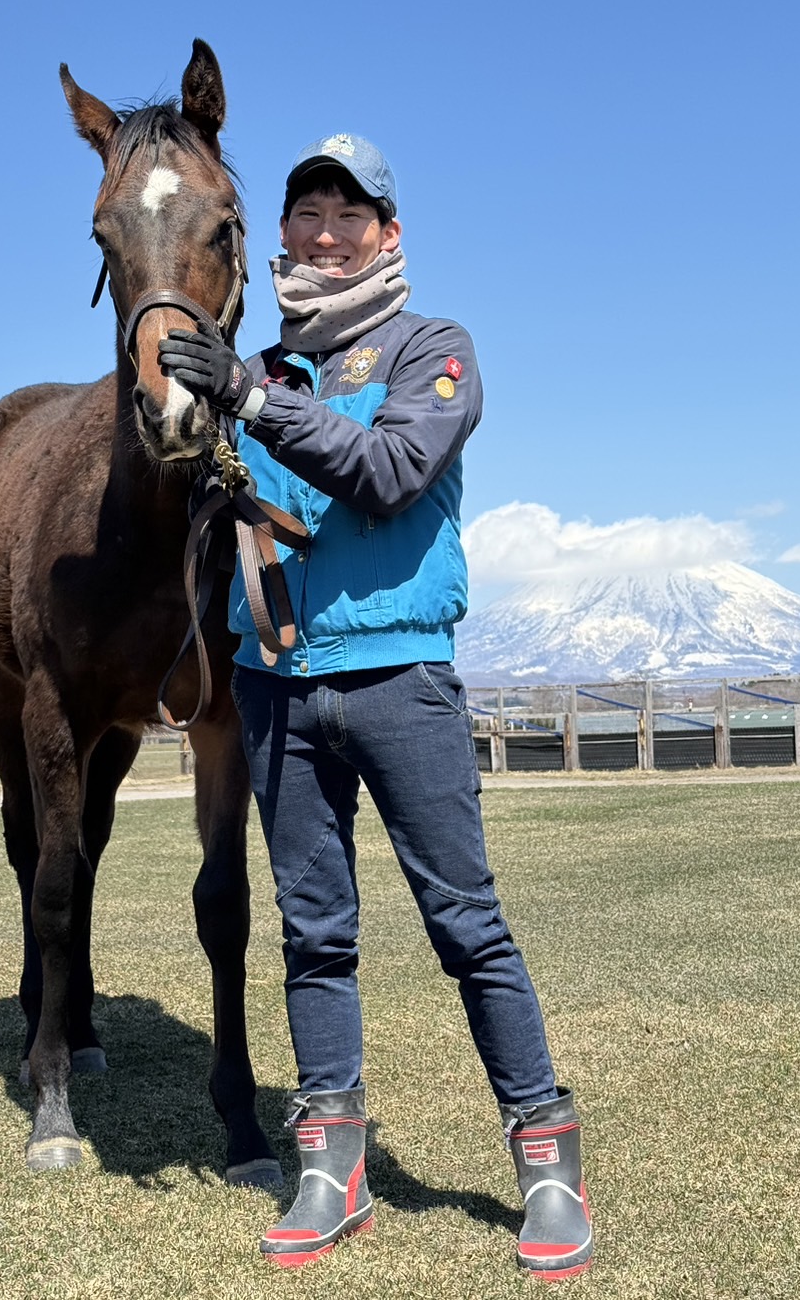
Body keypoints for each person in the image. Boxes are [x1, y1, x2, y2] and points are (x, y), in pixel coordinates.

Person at [158, 134, 593, 1280]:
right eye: (307, 210)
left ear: (387, 234)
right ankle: (329, 1164)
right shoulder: (259, 366)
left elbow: (392, 472)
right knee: (314, 935)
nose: (325, 228)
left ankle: (546, 1161)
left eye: (351, 212)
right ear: (284, 234)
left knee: (467, 926)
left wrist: (249, 395)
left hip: (400, 676)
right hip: (276, 686)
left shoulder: (433, 348)